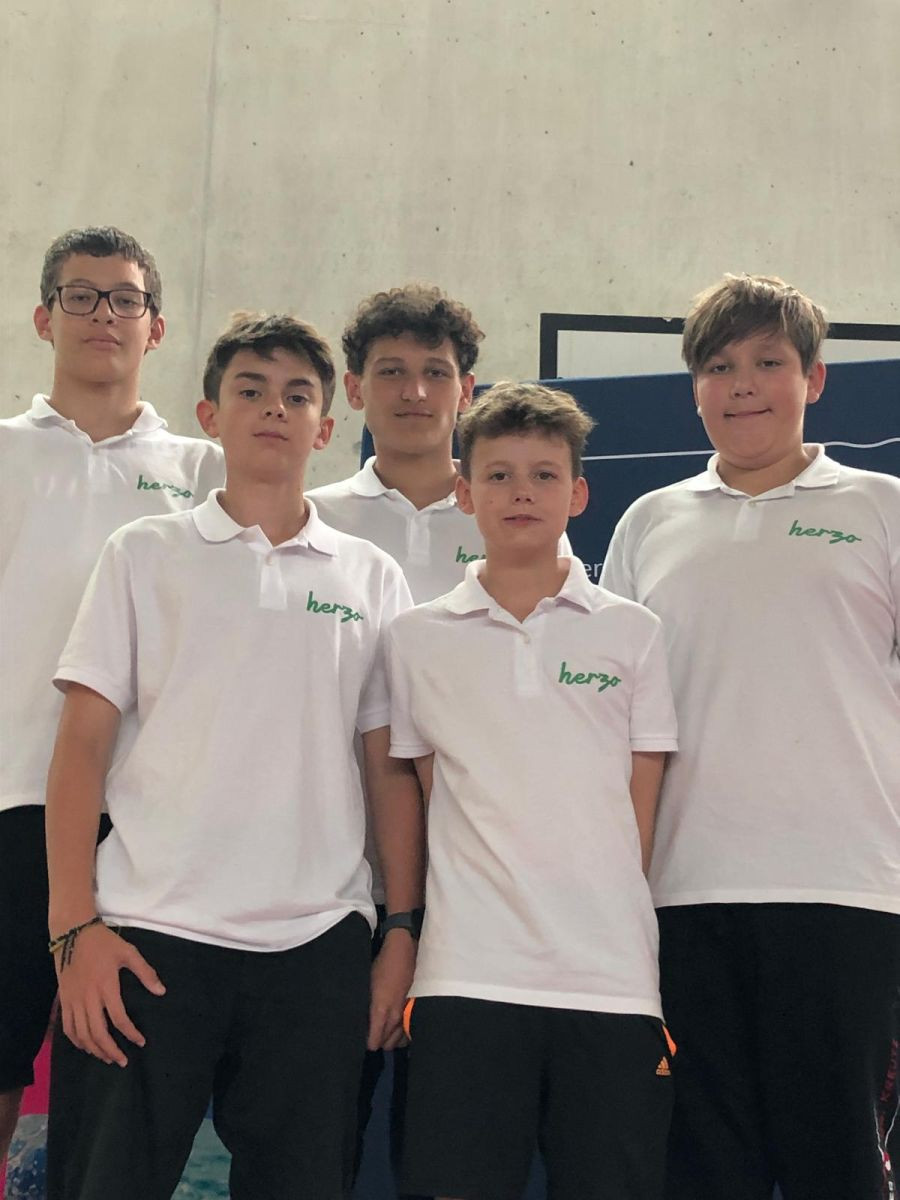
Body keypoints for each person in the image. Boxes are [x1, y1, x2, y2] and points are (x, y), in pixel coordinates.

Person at [44, 312, 425, 1200]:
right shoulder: (145, 553)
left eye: (297, 395)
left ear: (327, 428)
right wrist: (73, 930)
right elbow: (81, 747)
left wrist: (402, 928)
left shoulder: (371, 577)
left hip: (317, 945)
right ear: (211, 415)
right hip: (148, 936)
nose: (274, 409)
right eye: (251, 390)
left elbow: (388, 770)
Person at [600, 274, 900, 1199]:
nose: (742, 385)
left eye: (768, 362)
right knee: (702, 1167)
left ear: (814, 378)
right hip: (681, 894)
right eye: (719, 365)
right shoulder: (648, 523)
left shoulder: (883, 508)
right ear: (694, 385)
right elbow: (610, 718)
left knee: (836, 1162)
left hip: (845, 891)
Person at [388, 382, 678, 1200]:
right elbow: (426, 791)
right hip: (465, 978)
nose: (522, 492)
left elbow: (639, 813)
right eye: (500, 474)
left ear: (578, 493)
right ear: (464, 492)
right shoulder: (415, 638)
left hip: (611, 981)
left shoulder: (633, 632)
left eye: (544, 475)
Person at [0, 225, 224, 1165]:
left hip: (154, 819)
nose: (104, 315)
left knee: (130, 1080)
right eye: (81, 296)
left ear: (156, 327)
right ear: (44, 317)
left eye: (126, 299)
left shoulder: (207, 471)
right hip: (15, 799)